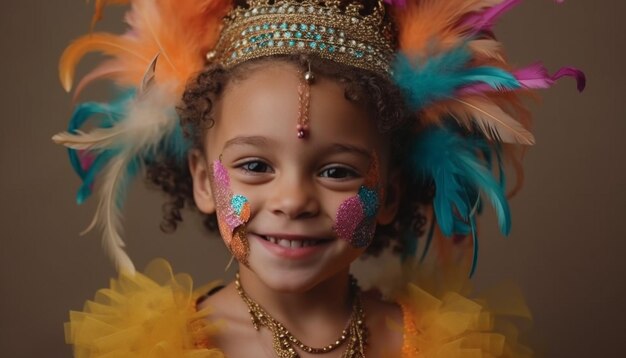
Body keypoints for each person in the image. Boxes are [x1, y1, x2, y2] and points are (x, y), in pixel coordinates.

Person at [55, 0, 584, 357]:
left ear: (392, 192)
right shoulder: (155, 348)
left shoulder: (440, 345)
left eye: (337, 171)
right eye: (255, 166)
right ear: (201, 180)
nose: (292, 200)